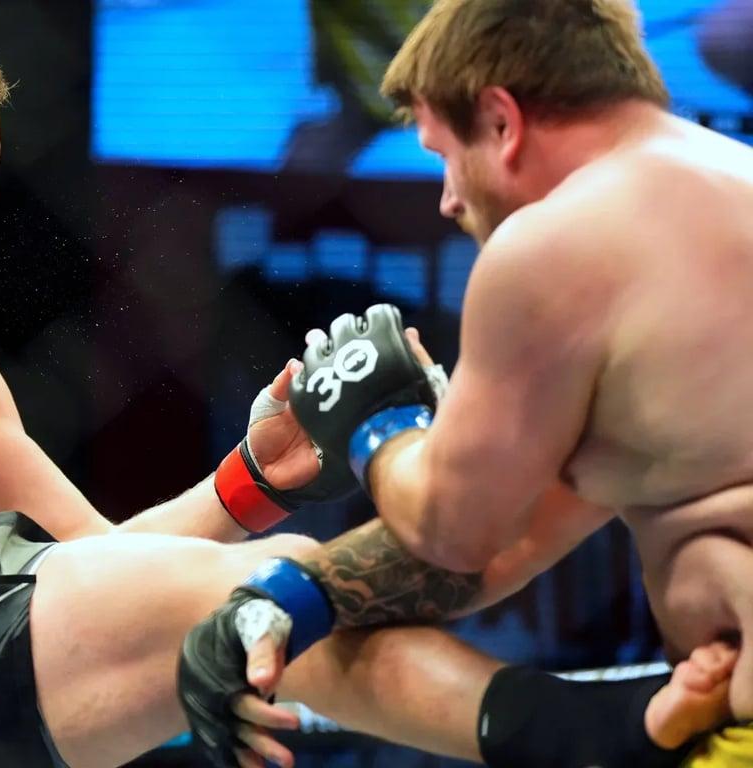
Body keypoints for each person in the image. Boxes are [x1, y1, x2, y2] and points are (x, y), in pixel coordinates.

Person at [0, 27, 730, 768]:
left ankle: (587, 726)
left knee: (261, 607)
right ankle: (595, 727)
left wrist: (249, 479)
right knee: (260, 599)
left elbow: (100, 563)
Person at [179, 0, 753, 765]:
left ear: (501, 119)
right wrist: (292, 592)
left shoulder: (555, 243)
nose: (448, 198)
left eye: (443, 153)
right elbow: (518, 534)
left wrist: (376, 423)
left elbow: (456, 527)